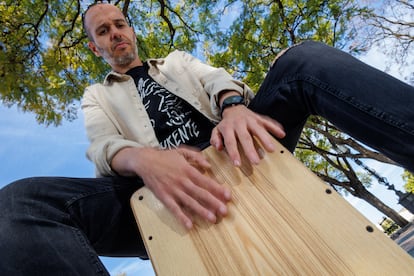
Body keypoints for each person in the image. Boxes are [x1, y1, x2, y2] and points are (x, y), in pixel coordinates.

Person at [0, 2, 413, 275]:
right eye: (104, 31)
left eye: (120, 24)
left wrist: (233, 106)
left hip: (236, 146)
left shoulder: (177, 61)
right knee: (18, 203)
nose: (115, 33)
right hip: (157, 195)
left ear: (131, 30)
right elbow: (102, 145)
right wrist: (143, 160)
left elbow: (216, 79)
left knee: (304, 59)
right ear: (95, 47)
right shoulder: (97, 94)